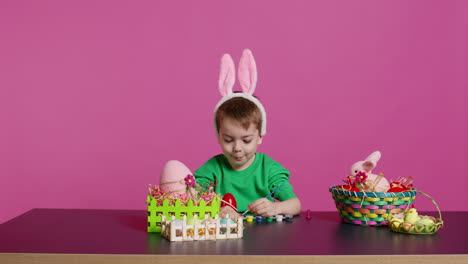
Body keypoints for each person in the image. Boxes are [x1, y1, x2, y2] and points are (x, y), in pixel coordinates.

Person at [194, 49, 301, 219]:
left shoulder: (268, 169)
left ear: (260, 136)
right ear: (218, 136)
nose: (237, 148)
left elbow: (295, 204)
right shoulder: (212, 170)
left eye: (246, 140)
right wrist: (215, 210)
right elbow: (192, 199)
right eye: (228, 139)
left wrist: (275, 207)